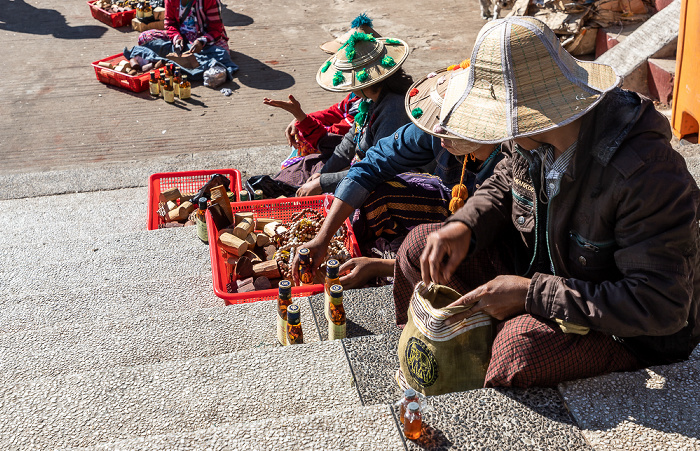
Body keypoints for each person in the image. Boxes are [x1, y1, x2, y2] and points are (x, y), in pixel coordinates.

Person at [395, 17, 700, 388]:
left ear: (532, 116)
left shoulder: (644, 173)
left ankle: (489, 367)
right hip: (542, 273)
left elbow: (660, 305)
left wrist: (530, 295)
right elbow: (507, 179)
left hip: (626, 331)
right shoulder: (531, 138)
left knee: (518, 349)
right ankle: (445, 360)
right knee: (419, 248)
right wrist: (465, 225)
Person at [289, 63, 507, 290]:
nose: (441, 135)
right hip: (451, 200)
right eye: (440, 125)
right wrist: (323, 238)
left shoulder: (508, 166)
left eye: (453, 128)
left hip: (487, 242)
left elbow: (491, 245)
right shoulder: (434, 130)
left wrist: (379, 267)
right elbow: (371, 164)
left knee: (420, 243)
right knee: (374, 194)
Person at [275, 33, 413, 197]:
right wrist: (324, 173)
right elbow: (348, 143)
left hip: (395, 182)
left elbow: (378, 167)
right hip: (366, 169)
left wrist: (323, 182)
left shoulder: (393, 109)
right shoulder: (368, 102)